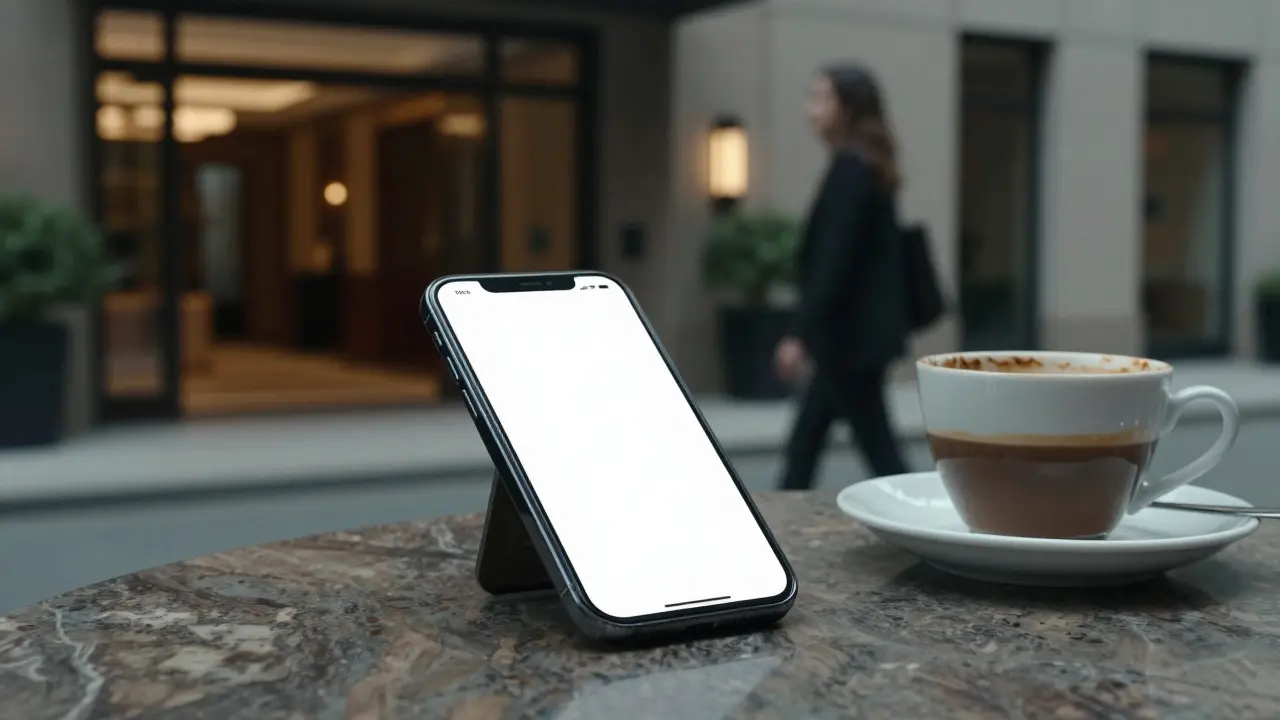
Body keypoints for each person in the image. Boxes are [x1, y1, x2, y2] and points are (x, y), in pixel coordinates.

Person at [775, 62, 911, 490]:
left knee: (870, 451)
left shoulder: (853, 168)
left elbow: (833, 261)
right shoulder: (861, 164)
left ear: (847, 107)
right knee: (810, 445)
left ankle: (922, 513)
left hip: (850, 343)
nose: (810, 109)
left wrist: (798, 333)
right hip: (850, 342)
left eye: (821, 98)